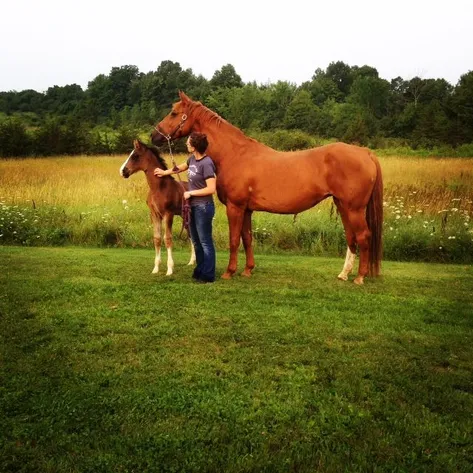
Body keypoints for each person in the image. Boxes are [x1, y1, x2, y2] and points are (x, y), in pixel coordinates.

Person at [154, 132, 217, 283]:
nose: (186, 144)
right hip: (193, 207)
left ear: (194, 146)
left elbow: (211, 188)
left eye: (188, 143)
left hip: (204, 206)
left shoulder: (207, 163)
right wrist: (164, 172)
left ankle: (208, 274)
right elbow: (179, 169)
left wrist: (191, 193)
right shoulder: (192, 159)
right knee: (195, 240)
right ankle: (200, 270)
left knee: (205, 241)